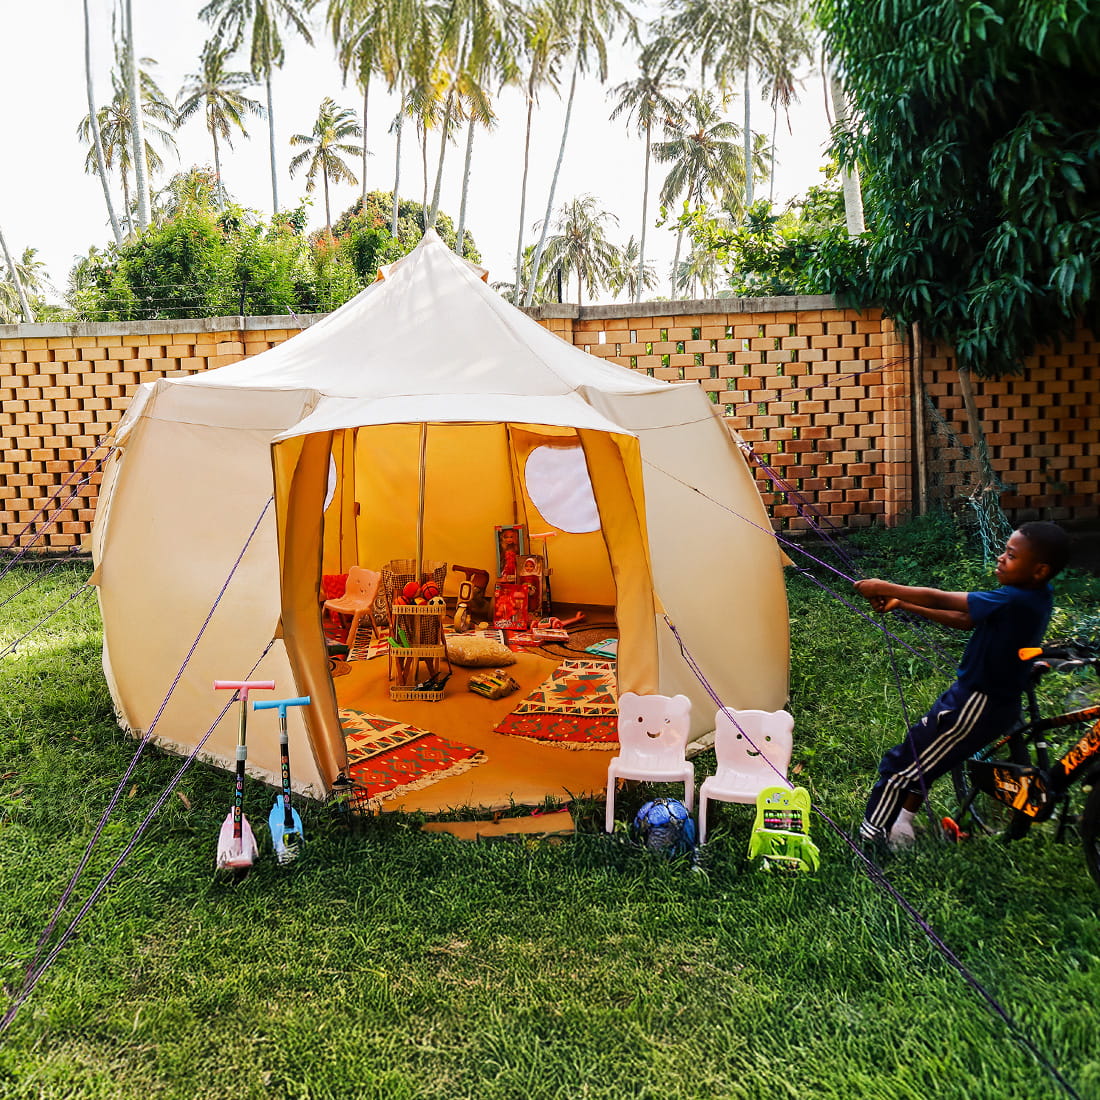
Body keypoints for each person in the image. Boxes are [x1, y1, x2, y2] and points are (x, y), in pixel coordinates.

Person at [853, 520, 1071, 851]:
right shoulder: (1032, 595)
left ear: (1039, 570)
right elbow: (965, 620)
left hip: (977, 703)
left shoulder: (1015, 600)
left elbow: (942, 599)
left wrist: (889, 587)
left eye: (1011, 555)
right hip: (980, 700)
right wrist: (903, 605)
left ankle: (871, 840)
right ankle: (901, 824)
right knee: (926, 757)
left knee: (902, 766)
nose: (1000, 558)